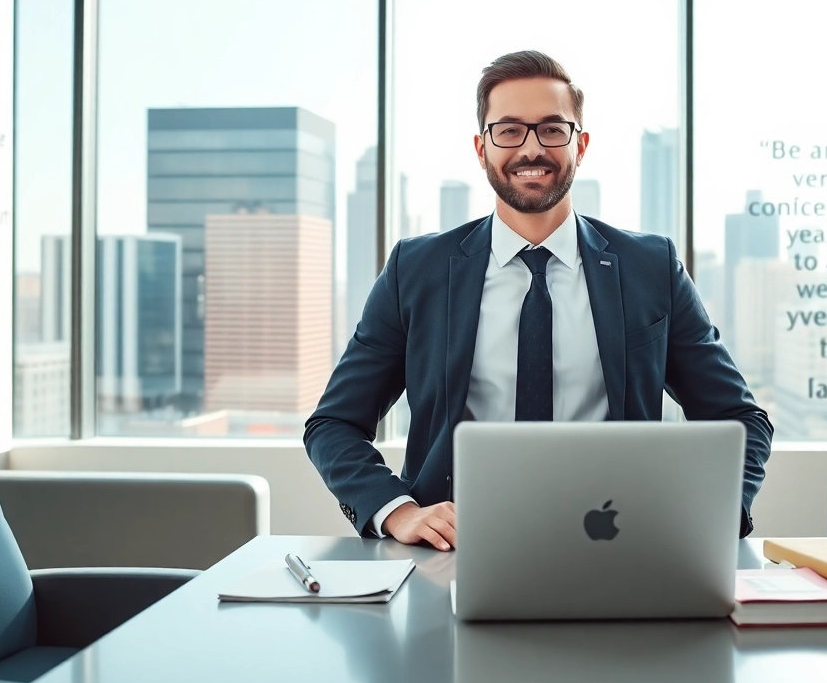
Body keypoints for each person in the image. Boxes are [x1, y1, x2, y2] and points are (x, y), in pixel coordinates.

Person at [304, 50, 772, 550]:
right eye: (508, 130)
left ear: (581, 144)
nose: (532, 148)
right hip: (454, 553)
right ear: (481, 148)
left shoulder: (649, 267)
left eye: (552, 129)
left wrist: (712, 516)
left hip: (620, 543)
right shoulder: (415, 269)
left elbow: (740, 420)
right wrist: (397, 511)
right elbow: (333, 423)